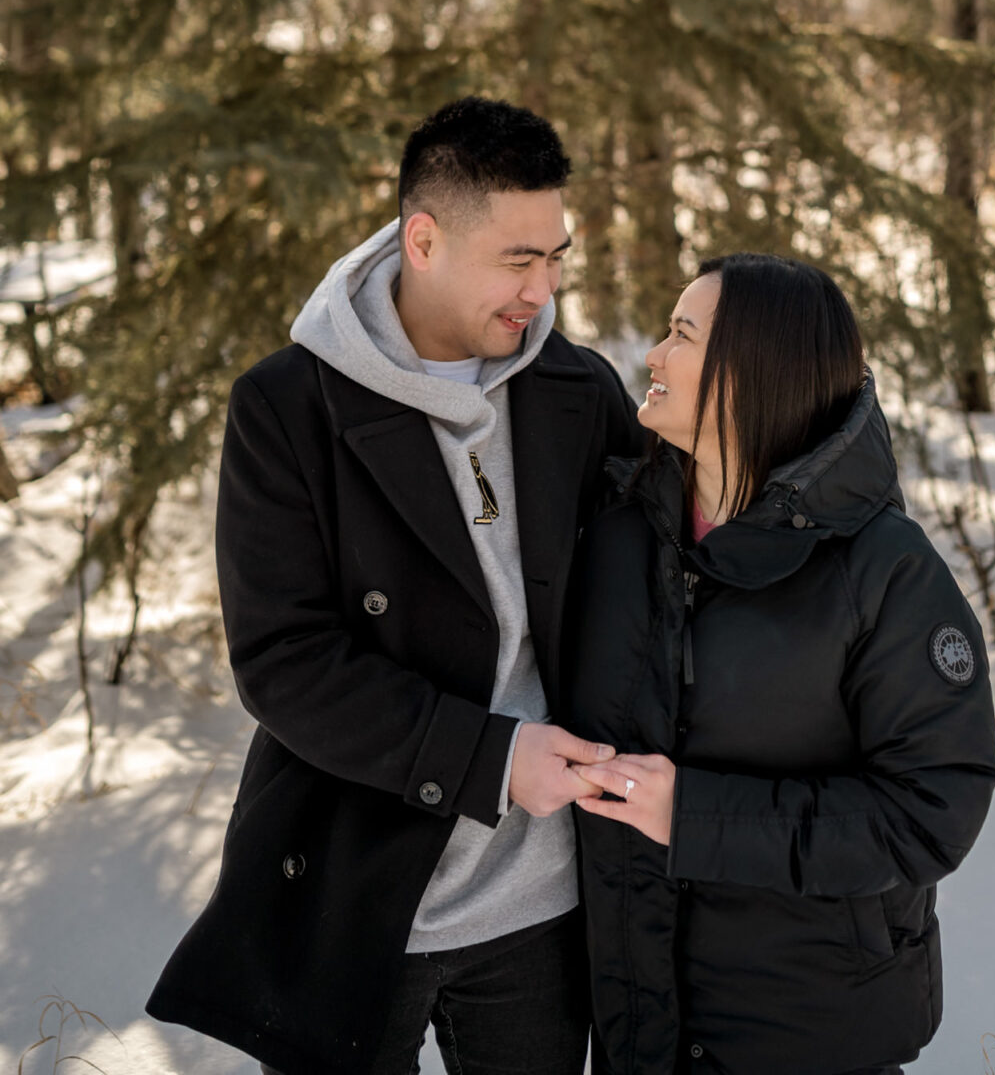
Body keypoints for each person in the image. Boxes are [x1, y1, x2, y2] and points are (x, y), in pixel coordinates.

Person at [148, 97, 642, 1075]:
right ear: (424, 240)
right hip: (358, 893)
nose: (543, 289)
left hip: (543, 901)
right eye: (517, 260)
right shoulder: (287, 408)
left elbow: (655, 591)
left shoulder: (577, 393)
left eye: (556, 257)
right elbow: (284, 663)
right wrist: (493, 760)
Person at [566, 253, 995, 1075]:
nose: (653, 356)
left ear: (751, 372)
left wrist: (693, 816)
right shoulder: (620, 535)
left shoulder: (882, 568)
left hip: (815, 1032)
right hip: (639, 1033)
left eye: (681, 335)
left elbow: (932, 811)